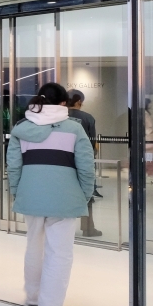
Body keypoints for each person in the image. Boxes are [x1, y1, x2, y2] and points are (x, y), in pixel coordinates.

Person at [8, 82, 94, 306]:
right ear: (64, 103)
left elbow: (13, 167)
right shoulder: (74, 129)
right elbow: (86, 167)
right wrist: (84, 195)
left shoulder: (21, 128)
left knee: (34, 246)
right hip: (65, 199)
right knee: (59, 253)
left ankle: (33, 297)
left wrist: (18, 193)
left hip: (30, 195)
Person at [67, 89, 102, 236]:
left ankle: (62, 227)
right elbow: (92, 142)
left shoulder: (60, 117)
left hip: (64, 161)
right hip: (82, 160)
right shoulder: (88, 118)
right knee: (87, 194)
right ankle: (88, 228)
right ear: (79, 102)